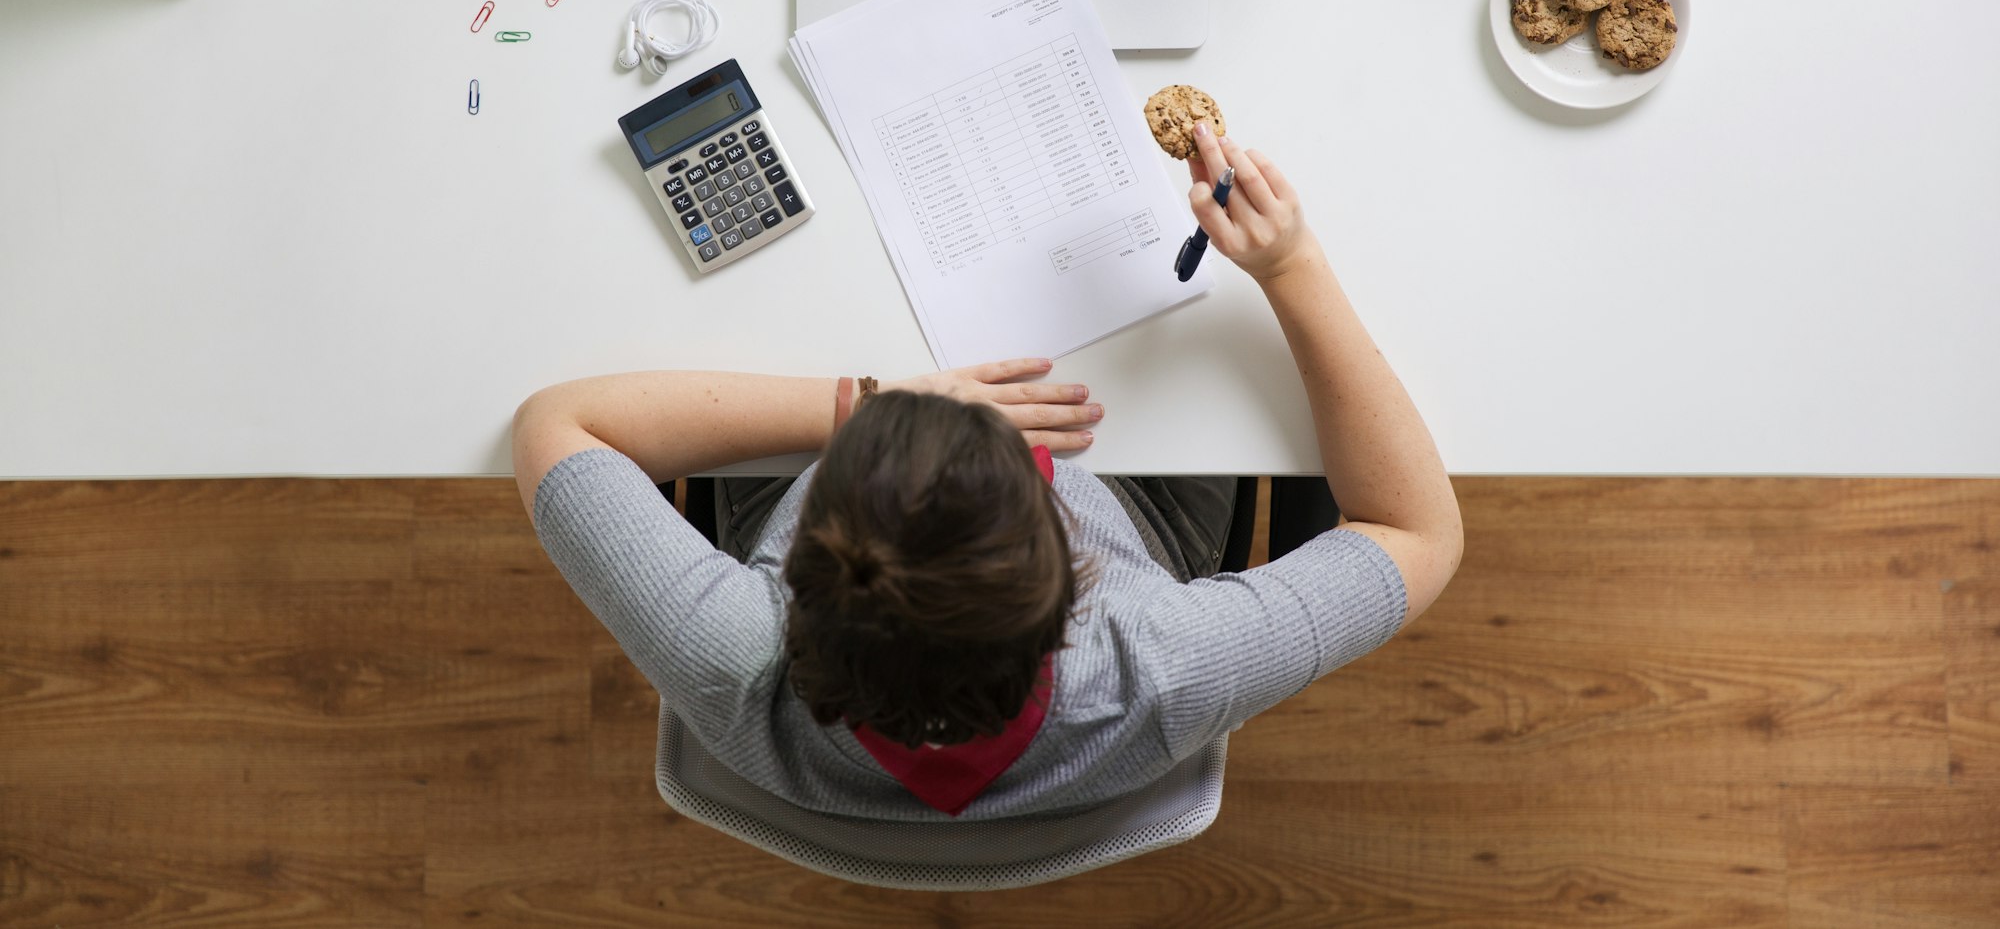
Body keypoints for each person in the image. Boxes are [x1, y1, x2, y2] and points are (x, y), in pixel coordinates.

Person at [513, 121, 1462, 820]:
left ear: (792, 579)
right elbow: (1418, 530)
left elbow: (557, 421)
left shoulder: (728, 654)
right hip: (1146, 523)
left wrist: (860, 406)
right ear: (1071, 590)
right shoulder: (1166, 664)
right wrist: (1292, 266)